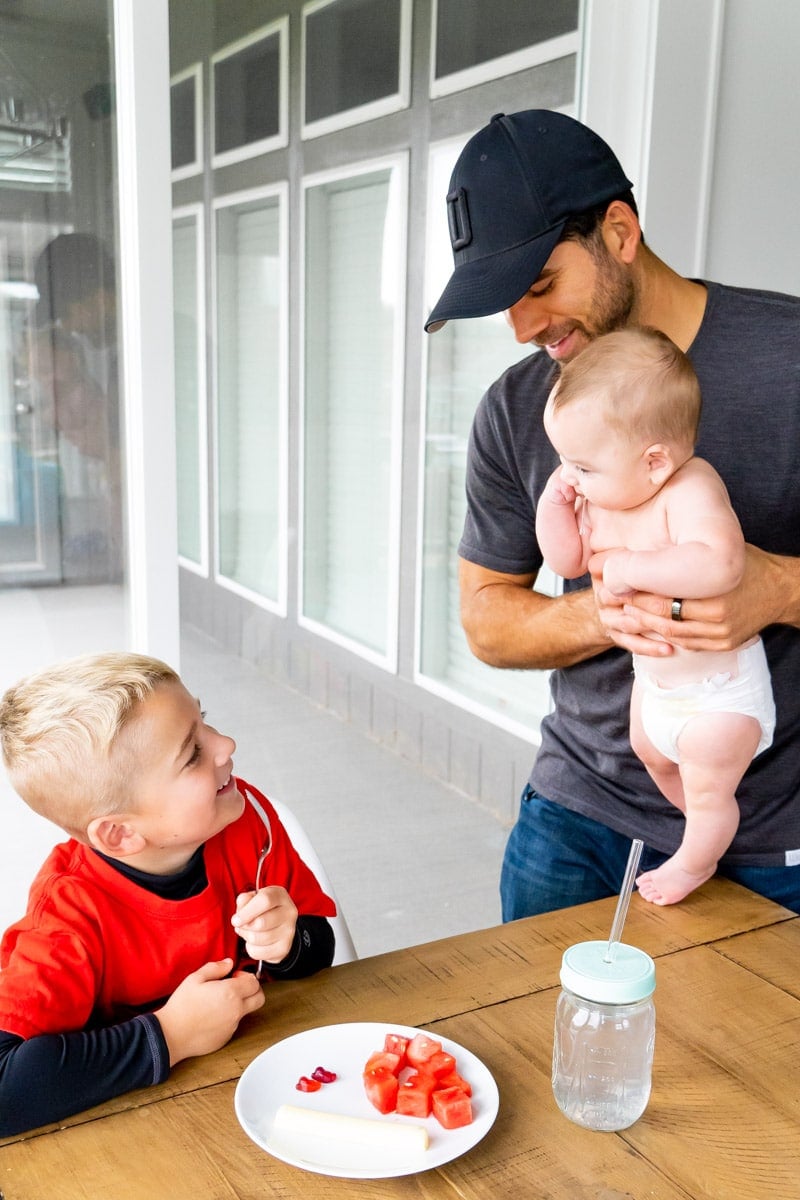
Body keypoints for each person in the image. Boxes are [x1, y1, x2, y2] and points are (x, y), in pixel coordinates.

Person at [424, 109, 800, 919]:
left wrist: (780, 591)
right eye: (505, 303)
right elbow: (489, 622)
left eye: (539, 287)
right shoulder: (521, 408)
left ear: (619, 232)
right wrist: (618, 608)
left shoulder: (792, 362)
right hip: (575, 819)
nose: (524, 328)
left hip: (775, 840)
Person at [0, 652, 337, 1137]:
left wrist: (288, 943)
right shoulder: (66, 916)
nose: (225, 744)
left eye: (205, 722)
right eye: (193, 753)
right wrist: (171, 1035)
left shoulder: (246, 819)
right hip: (125, 1131)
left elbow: (318, 949)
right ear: (119, 835)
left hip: (259, 1091)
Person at [536, 327, 775, 905]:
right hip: (657, 685)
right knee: (653, 754)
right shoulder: (600, 495)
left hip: (718, 696)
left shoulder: (689, 489)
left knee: (710, 785)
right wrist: (555, 505)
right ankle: (702, 825)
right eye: (564, 461)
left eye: (582, 465)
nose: (571, 475)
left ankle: (697, 858)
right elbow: (565, 559)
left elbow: (719, 564)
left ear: (654, 461)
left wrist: (634, 569)